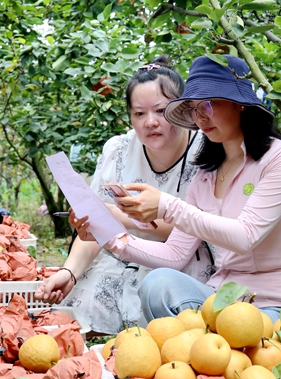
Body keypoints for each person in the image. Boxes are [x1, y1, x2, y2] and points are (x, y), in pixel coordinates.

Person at [67, 55, 281, 323]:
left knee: (244, 341)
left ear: (240, 105)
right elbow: (175, 255)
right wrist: (109, 236)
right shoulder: (206, 174)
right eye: (193, 108)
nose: (200, 115)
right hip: (220, 300)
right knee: (158, 283)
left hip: (274, 306)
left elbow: (245, 236)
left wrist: (165, 206)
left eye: (208, 103)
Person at [35, 55, 215, 334]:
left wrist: (121, 217)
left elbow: (199, 229)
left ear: (182, 109)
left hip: (180, 264)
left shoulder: (207, 151)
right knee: (76, 319)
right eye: (139, 114)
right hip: (118, 259)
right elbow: (97, 227)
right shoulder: (117, 150)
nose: (150, 122)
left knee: (168, 332)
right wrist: (70, 271)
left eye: (160, 110)